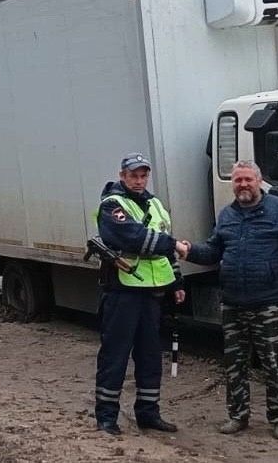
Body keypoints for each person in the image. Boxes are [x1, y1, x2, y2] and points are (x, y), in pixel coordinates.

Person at [177, 160, 278, 440]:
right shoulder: (227, 215)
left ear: (259, 181)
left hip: (270, 303)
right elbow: (213, 251)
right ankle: (238, 416)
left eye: (248, 179)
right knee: (235, 364)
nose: (243, 185)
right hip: (234, 304)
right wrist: (189, 251)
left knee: (276, 363)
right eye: (238, 181)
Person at [94, 152, 187, 436]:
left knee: (150, 356)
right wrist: (171, 243)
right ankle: (106, 417)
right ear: (122, 176)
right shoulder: (112, 205)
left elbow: (164, 253)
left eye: (143, 175)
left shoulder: (155, 204)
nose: (139, 180)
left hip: (152, 293)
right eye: (133, 175)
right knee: (115, 355)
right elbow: (131, 237)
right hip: (123, 291)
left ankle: (148, 414)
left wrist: (177, 283)